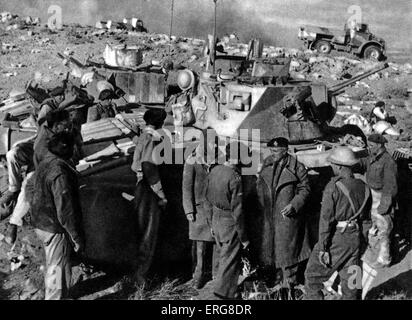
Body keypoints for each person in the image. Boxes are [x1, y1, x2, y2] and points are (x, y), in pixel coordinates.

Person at [304, 147, 371, 300]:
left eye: (333, 164)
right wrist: (363, 241)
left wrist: (323, 248)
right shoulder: (364, 186)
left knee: (312, 277)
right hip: (356, 238)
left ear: (339, 166)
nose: (332, 167)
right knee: (352, 281)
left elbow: (326, 221)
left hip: (337, 238)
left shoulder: (333, 187)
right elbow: (366, 220)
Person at [30, 131, 84, 300]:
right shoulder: (60, 172)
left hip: (40, 220)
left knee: (58, 263)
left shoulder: (46, 162)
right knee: (56, 268)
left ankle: (64, 292)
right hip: (53, 226)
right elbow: (65, 210)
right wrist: (75, 237)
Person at [256, 137, 311, 293]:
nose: (272, 154)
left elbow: (305, 189)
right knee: (270, 247)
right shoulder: (267, 162)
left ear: (285, 150)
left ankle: (290, 282)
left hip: (287, 216)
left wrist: (294, 204)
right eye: (271, 150)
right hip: (269, 214)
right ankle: (273, 277)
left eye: (276, 151)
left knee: (288, 249)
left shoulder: (297, 167)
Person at [204, 141, 249, 299]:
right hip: (229, 223)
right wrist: (244, 238)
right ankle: (223, 294)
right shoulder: (235, 177)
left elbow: (206, 200)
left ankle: (220, 287)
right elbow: (238, 211)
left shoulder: (215, 171)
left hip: (216, 219)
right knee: (230, 259)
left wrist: (210, 222)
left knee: (222, 254)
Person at [131, 108, 168, 284]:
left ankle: (139, 271)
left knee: (140, 230)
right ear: (160, 122)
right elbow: (150, 167)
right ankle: (141, 276)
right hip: (150, 190)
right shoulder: (152, 139)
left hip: (140, 186)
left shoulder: (142, 136)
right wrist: (161, 195)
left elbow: (136, 165)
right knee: (149, 233)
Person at [182, 131, 216, 289]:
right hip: (199, 209)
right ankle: (198, 276)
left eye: (214, 141)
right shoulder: (192, 160)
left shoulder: (219, 159)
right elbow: (186, 187)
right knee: (200, 246)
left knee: (217, 242)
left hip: (216, 208)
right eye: (209, 141)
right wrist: (189, 209)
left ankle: (216, 275)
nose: (212, 144)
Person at [359, 134, 398, 268]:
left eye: (371, 146)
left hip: (382, 197)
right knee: (374, 227)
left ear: (380, 145)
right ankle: (376, 253)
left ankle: (384, 259)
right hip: (372, 195)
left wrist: (384, 206)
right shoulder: (373, 156)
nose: (369, 148)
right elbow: (364, 162)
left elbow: (390, 187)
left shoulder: (388, 162)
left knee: (384, 229)